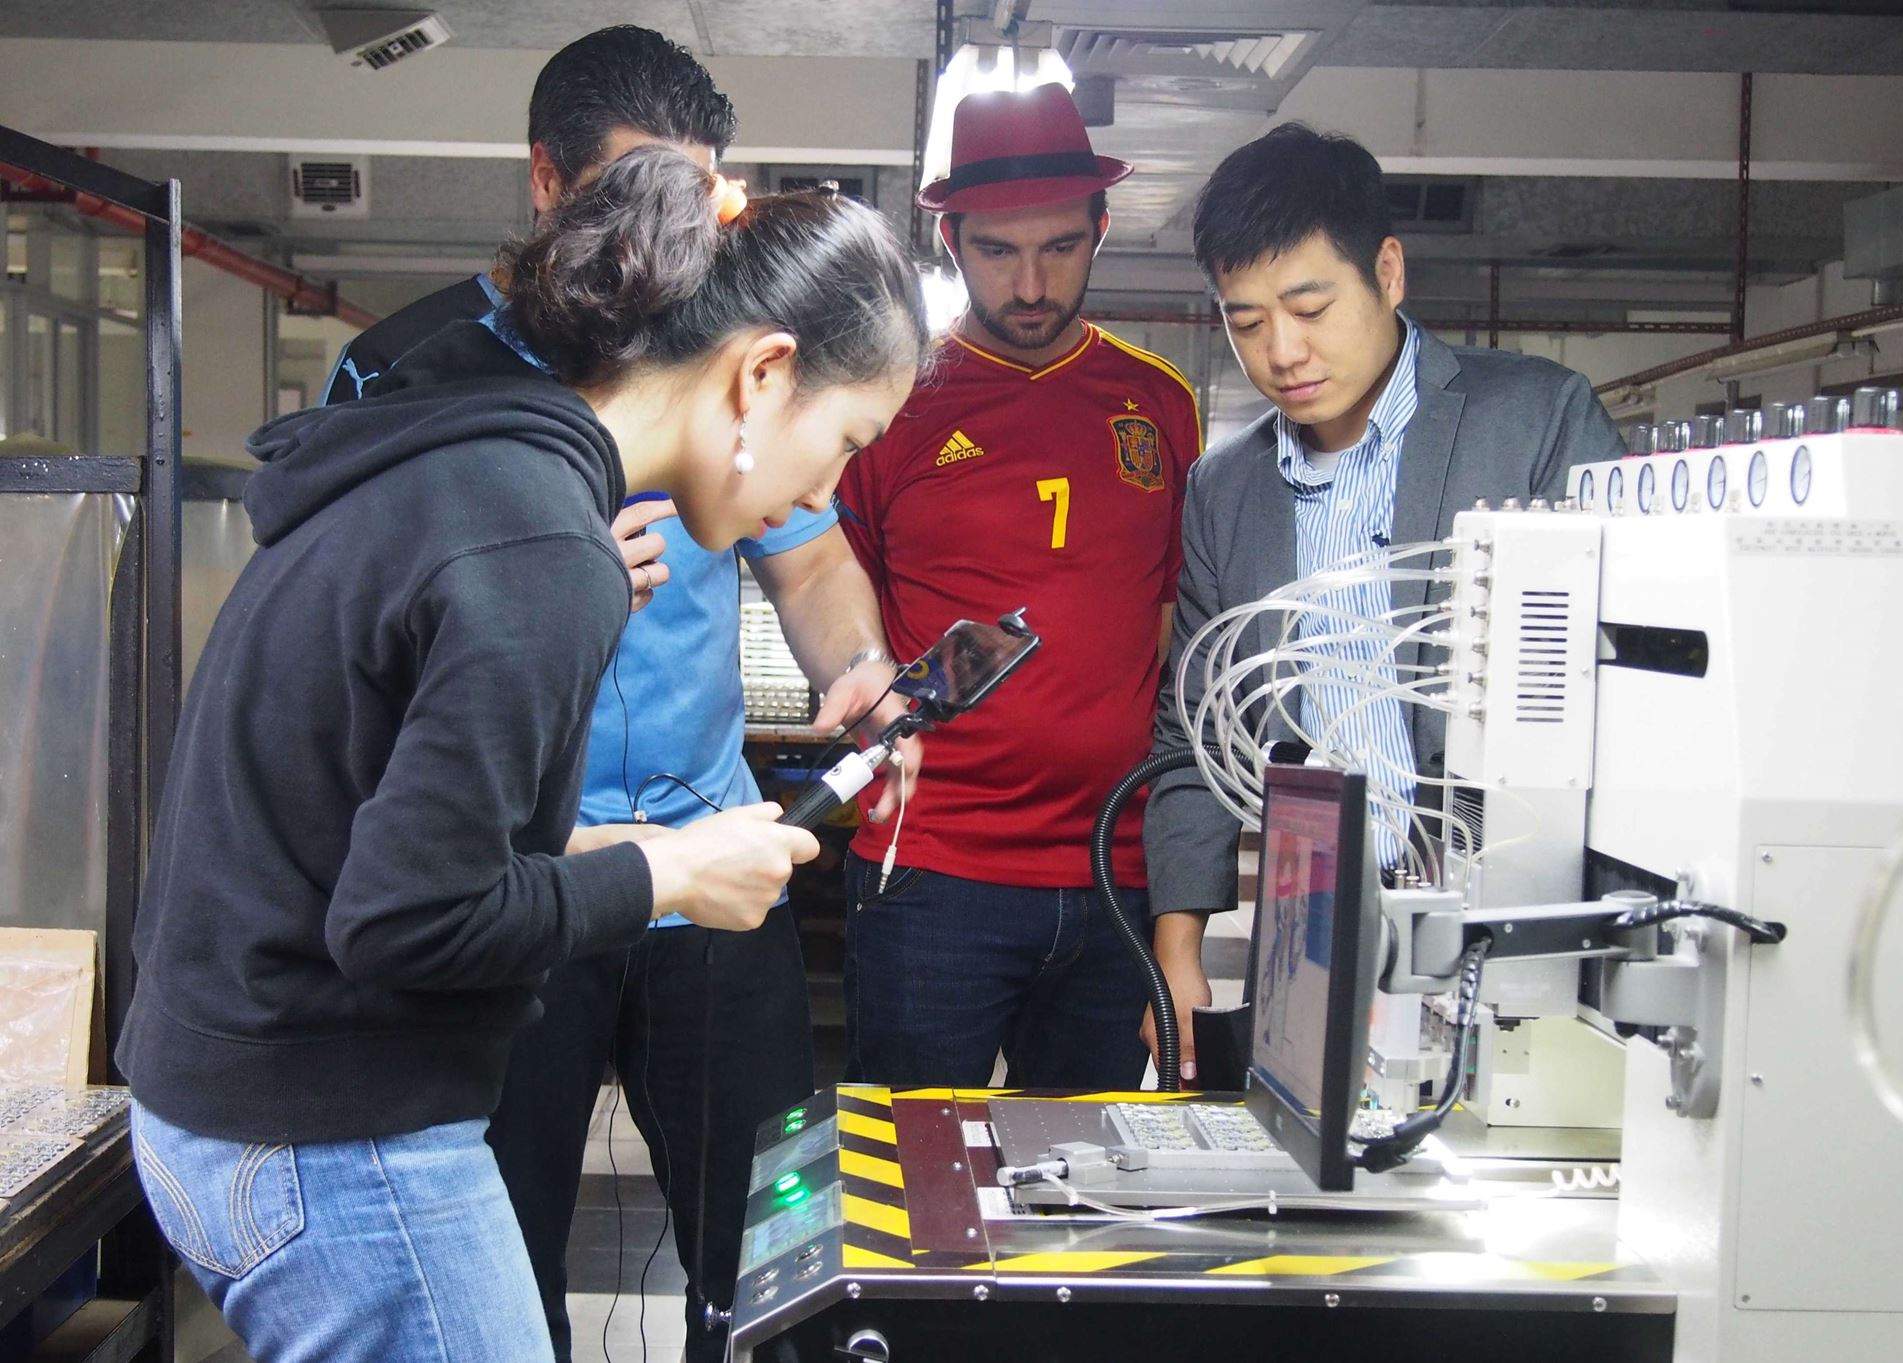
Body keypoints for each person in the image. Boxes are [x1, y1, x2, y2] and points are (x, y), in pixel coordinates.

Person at [117, 144, 929, 1363]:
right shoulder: (546, 548)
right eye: (849, 439)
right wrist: (667, 875)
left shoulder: (471, 460)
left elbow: (376, 833)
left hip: (225, 1101)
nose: (828, 491)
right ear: (763, 372)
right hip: (331, 1136)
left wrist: (612, 846)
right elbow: (406, 919)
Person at [319, 30, 917, 1361]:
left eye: (696, 203)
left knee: (773, 1254)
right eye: (633, 193)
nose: (670, 242)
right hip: (512, 882)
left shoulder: (719, 349)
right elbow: (351, 645)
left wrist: (858, 666)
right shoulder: (411, 371)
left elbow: (812, 558)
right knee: (501, 1257)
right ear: (547, 182)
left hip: (711, 855)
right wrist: (543, 560)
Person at [1142, 123, 1627, 1079]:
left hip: (1514, 920)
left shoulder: (1535, 420)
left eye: (1310, 307)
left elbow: (1633, 684)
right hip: (1317, 933)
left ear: (1389, 273)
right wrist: (1177, 947)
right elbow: (1192, 730)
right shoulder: (1225, 490)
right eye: (1246, 323)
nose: (1283, 351)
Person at [835, 83, 1201, 1090]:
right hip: (933, 870)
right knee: (908, 1165)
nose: (1031, 284)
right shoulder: (894, 405)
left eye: (1061, 247)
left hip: (1115, 872)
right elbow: (832, 603)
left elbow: (1169, 637)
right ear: (950, 240)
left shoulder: (1160, 404)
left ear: (1101, 230)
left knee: (1083, 1172)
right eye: (998, 251)